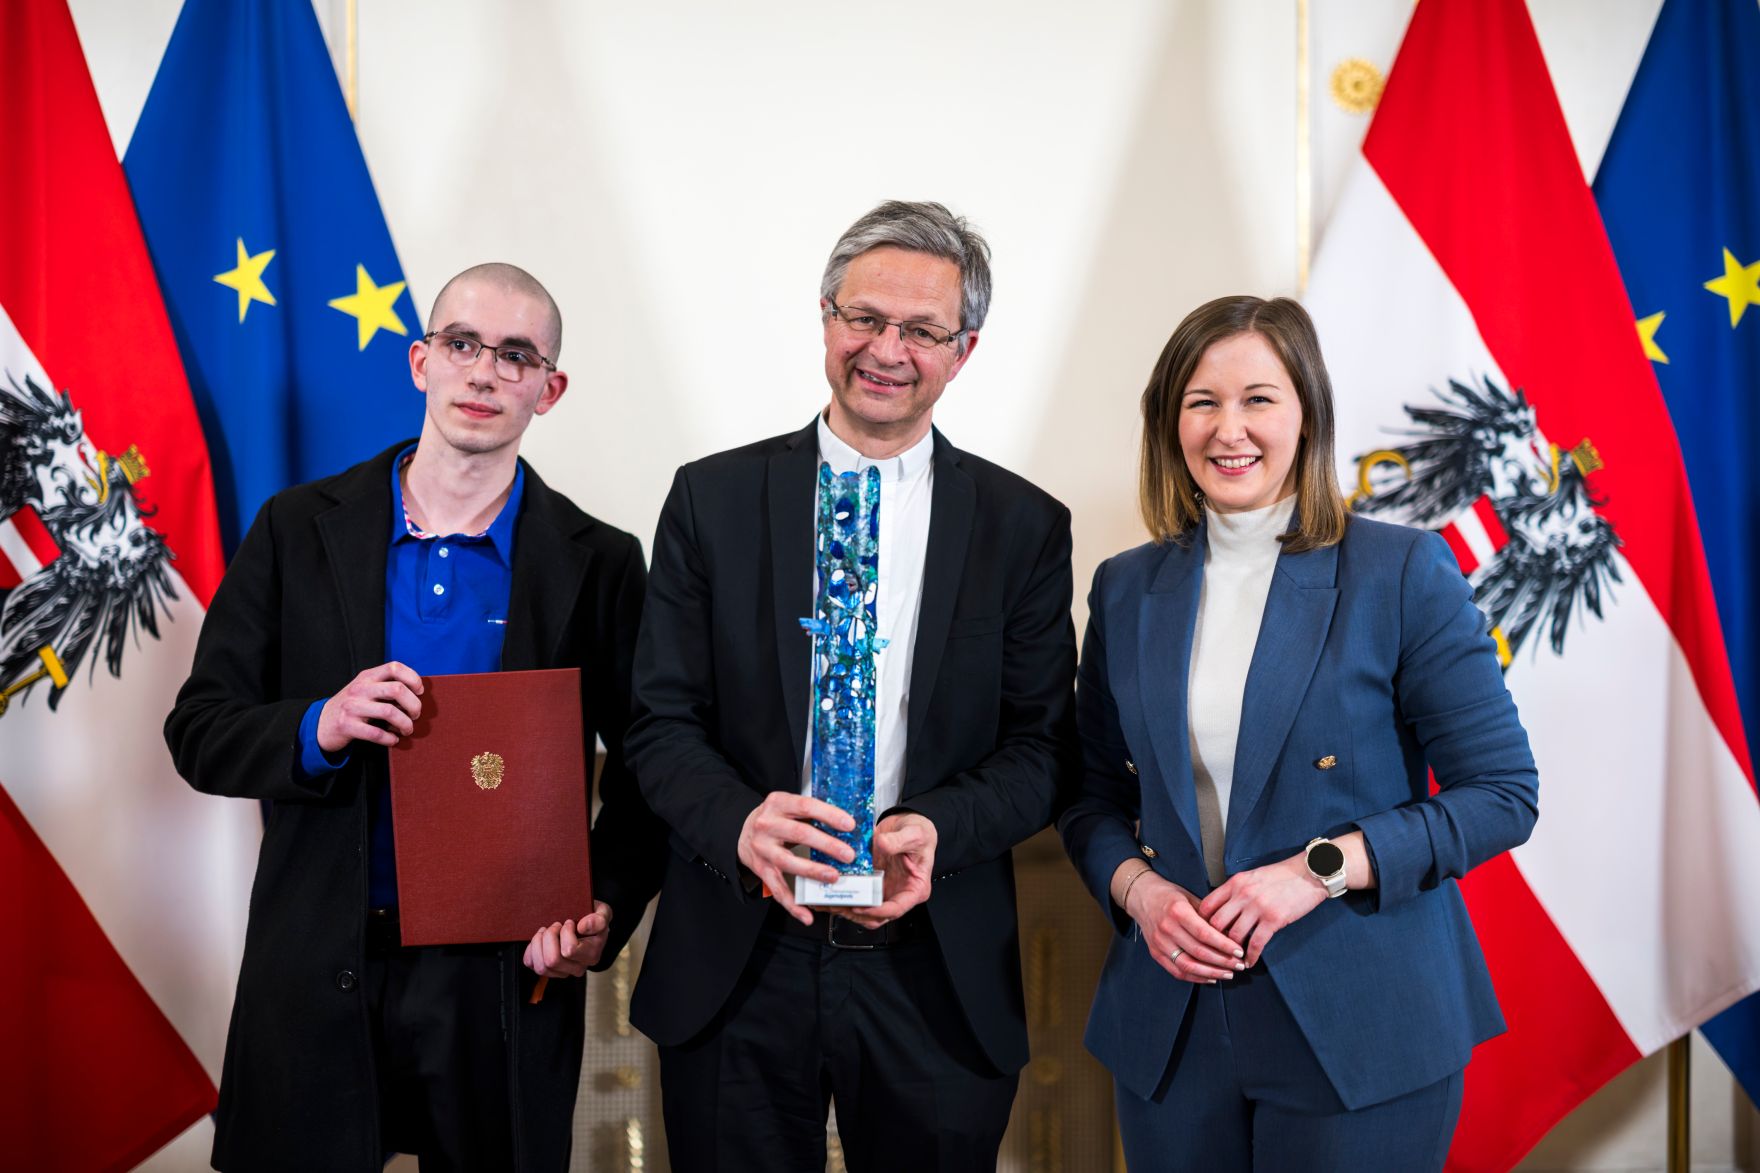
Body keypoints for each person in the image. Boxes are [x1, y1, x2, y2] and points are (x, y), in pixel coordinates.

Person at [164, 263, 665, 1172]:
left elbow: (649, 773)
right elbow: (198, 731)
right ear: (420, 361)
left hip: (502, 982)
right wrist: (320, 723)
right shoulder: (295, 527)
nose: (484, 372)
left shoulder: (600, 561)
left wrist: (604, 904)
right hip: (316, 962)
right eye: (462, 343)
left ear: (549, 390)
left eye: (516, 356)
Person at [625, 200, 1077, 1171]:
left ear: (963, 351)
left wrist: (938, 827)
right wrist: (740, 823)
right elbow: (658, 722)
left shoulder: (1023, 526)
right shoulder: (711, 499)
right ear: (825, 318)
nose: (886, 349)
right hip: (740, 954)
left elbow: (1042, 750)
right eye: (864, 317)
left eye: (921, 330)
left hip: (933, 966)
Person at [1059, 295, 1538, 1171]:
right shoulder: (1124, 587)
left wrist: (1316, 870)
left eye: (1258, 399)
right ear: (1169, 422)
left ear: (1307, 413)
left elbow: (1503, 795)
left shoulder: (1400, 570)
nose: (1228, 428)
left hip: (1361, 1018)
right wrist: (1140, 892)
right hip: (1171, 1024)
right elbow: (1090, 798)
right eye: (1202, 401)